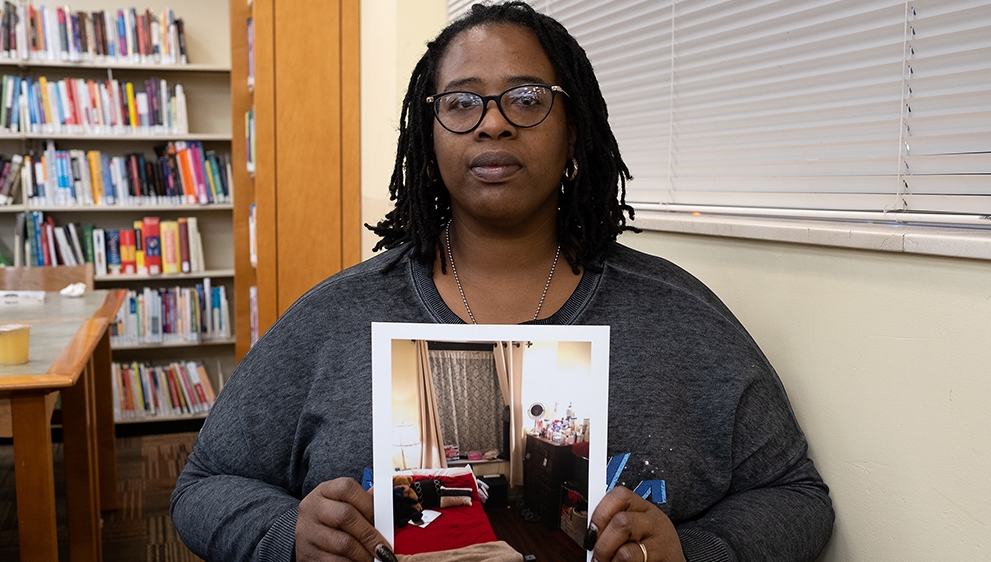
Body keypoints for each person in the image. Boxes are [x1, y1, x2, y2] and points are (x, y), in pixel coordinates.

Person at [170, 3, 834, 561]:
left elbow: (797, 499)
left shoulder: (679, 317)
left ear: (575, 132)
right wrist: (289, 534)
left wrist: (690, 552)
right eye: (461, 102)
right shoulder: (336, 317)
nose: (493, 120)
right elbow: (203, 485)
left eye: (527, 98)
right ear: (427, 137)